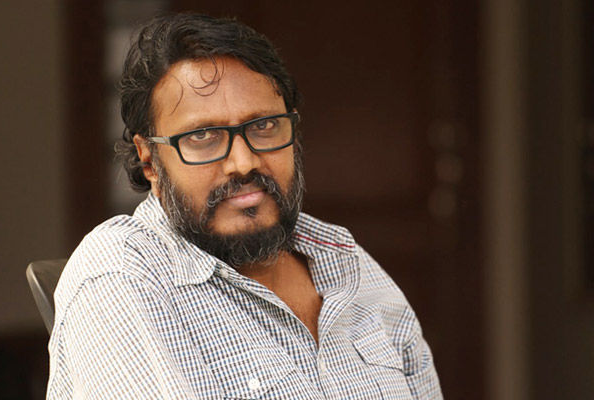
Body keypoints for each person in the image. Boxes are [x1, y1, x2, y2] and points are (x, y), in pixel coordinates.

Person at [47, 13, 442, 399]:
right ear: (149, 159)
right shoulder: (121, 276)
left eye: (264, 126)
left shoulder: (344, 261)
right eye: (203, 136)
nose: (244, 162)